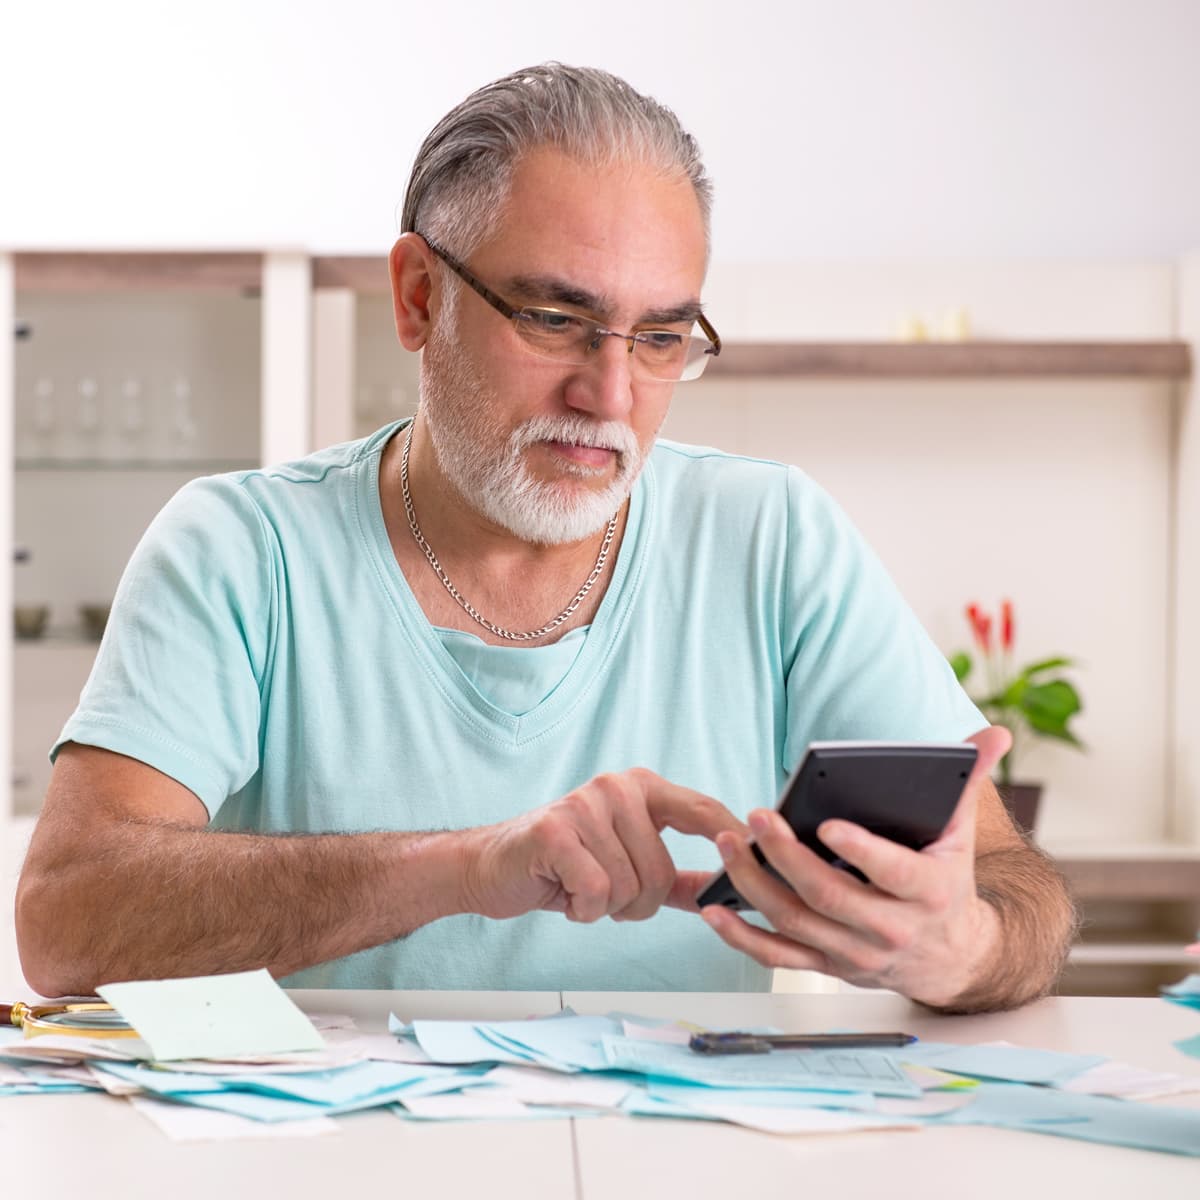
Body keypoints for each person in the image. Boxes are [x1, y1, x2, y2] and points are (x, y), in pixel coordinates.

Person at [15, 64, 1075, 1011]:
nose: (609, 393)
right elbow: (66, 921)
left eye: (661, 337)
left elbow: (1014, 888)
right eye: (556, 320)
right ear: (420, 297)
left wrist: (959, 947)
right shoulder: (241, 549)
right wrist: (466, 867)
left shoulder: (775, 537)